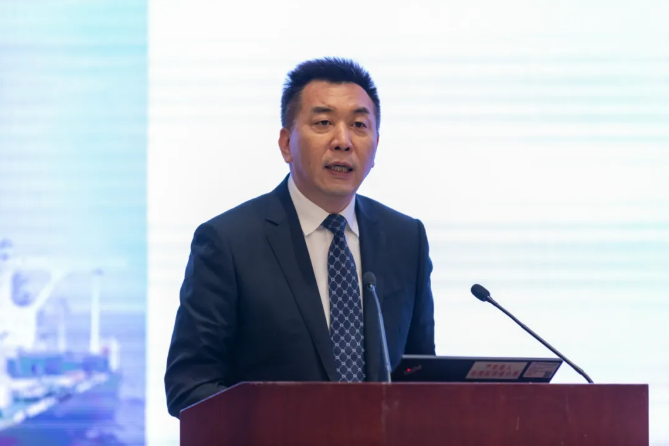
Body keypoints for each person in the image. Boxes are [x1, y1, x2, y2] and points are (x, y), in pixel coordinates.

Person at [164, 58, 435, 418]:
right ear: (285, 144)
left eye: (359, 125)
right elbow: (189, 386)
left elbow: (422, 378)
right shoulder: (228, 242)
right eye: (323, 123)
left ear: (376, 145)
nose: (343, 141)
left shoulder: (406, 239)